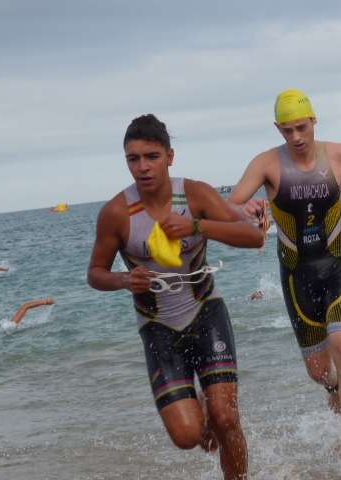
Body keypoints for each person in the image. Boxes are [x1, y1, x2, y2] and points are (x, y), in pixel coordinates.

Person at [87, 114, 263, 480]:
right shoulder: (117, 213)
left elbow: (252, 236)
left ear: (170, 157)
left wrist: (196, 225)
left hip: (205, 311)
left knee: (226, 417)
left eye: (151, 156)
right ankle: (202, 407)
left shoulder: (194, 194)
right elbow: (95, 274)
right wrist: (124, 279)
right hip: (158, 326)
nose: (143, 167)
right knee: (188, 437)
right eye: (133, 159)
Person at [230, 88, 341, 473]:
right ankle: (336, 390)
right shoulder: (266, 163)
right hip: (298, 275)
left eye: (301, 127)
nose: (296, 137)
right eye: (287, 130)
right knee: (319, 371)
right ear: (277, 129)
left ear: (314, 121)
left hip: (338, 264)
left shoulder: (340, 155)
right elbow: (232, 203)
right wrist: (250, 210)